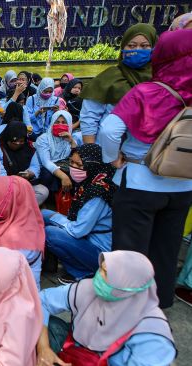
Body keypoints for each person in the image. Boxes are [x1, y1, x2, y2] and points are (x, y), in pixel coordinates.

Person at [98, 27, 192, 309]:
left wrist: (113, 159)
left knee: (129, 253)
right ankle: (158, 305)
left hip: (141, 182)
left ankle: (125, 309)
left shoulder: (147, 92)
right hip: (184, 185)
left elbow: (110, 129)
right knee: (167, 249)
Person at [37, 251, 176, 366]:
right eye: (101, 269)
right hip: (73, 351)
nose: (98, 277)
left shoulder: (152, 334)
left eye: (107, 274)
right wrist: (43, 347)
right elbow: (41, 301)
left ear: (128, 286)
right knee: (27, 320)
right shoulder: (88, 288)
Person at [42, 144, 115, 283]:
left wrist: (56, 218)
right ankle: (48, 260)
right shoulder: (90, 181)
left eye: (79, 164)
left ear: (92, 165)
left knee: (50, 232)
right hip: (88, 235)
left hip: (99, 252)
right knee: (44, 214)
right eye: (72, 162)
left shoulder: (97, 193)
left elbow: (78, 230)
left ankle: (84, 272)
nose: (73, 168)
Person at [80, 23, 157, 144]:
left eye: (144, 46)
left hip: (146, 153)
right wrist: (90, 152)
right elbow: (89, 117)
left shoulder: (162, 79)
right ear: (123, 47)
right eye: (131, 45)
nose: (137, 50)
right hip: (105, 151)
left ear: (154, 48)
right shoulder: (107, 77)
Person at [0, 121, 48, 204]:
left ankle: (21, 209)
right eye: (14, 142)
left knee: (43, 191)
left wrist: (29, 173)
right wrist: (12, 180)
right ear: (7, 138)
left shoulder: (28, 147)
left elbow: (35, 166)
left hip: (23, 184)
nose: (18, 144)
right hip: (3, 186)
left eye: (21, 141)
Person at [35, 110, 80, 192]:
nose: (60, 125)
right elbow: (46, 162)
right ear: (52, 123)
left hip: (64, 165)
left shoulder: (70, 138)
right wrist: (63, 176)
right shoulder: (43, 139)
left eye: (64, 122)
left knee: (77, 172)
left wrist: (71, 142)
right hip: (47, 167)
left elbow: (76, 157)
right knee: (48, 176)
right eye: (57, 122)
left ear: (69, 124)